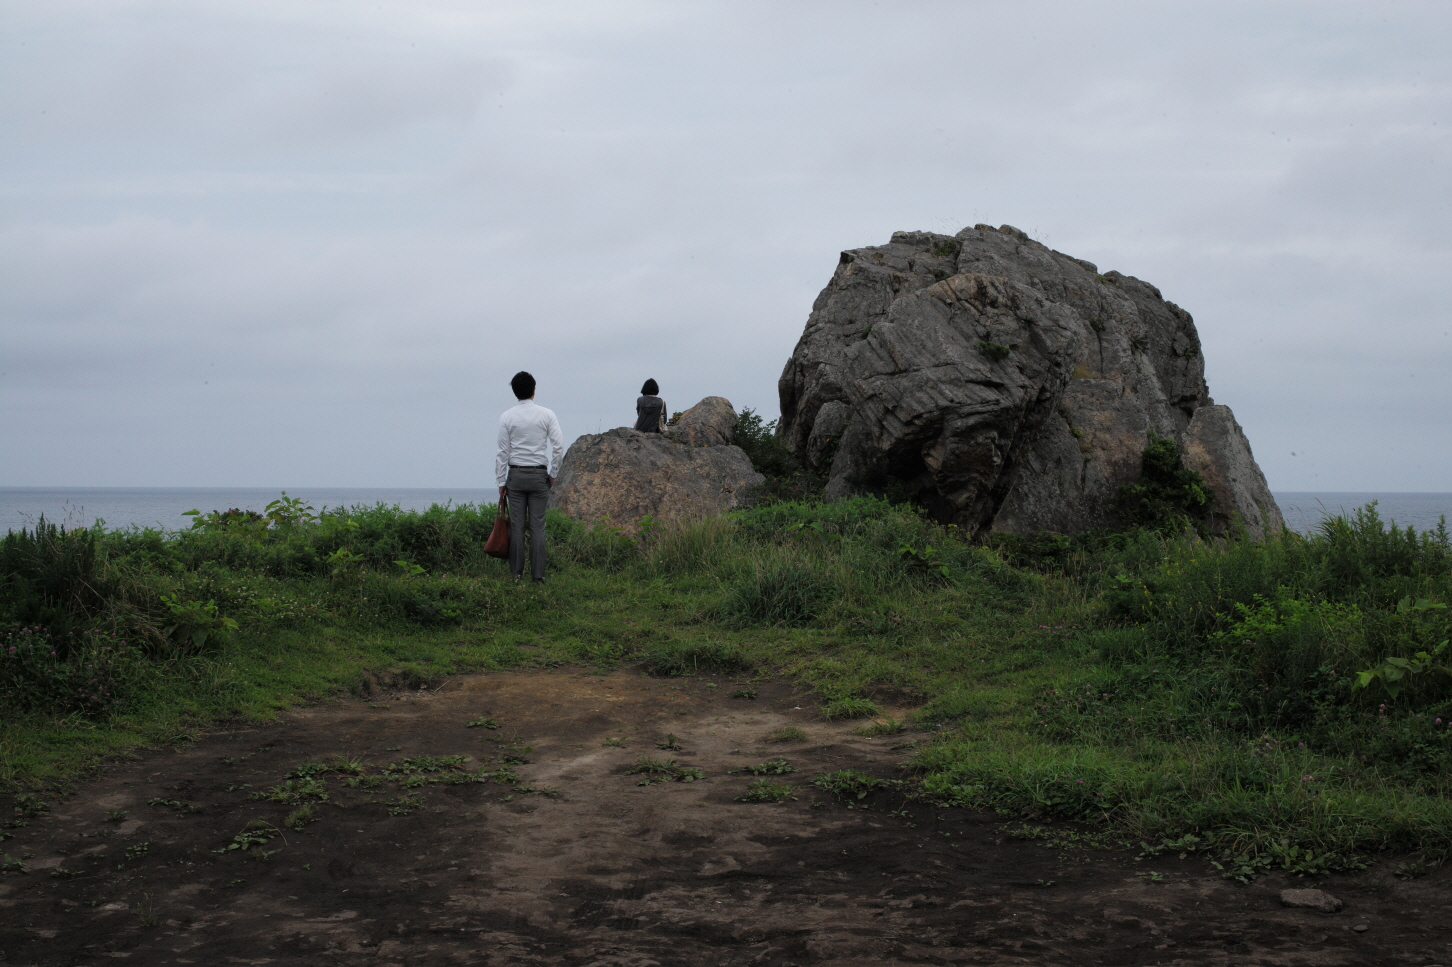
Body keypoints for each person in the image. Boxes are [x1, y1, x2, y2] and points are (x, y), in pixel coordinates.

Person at [496, 371, 565, 582]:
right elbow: (558, 446)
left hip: (515, 475)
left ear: (515, 392)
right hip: (538, 475)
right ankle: (538, 577)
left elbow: (502, 452)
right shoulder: (547, 414)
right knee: (538, 528)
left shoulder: (507, 416)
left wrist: (501, 481)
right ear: (534, 390)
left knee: (517, 527)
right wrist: (553, 473)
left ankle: (516, 575)